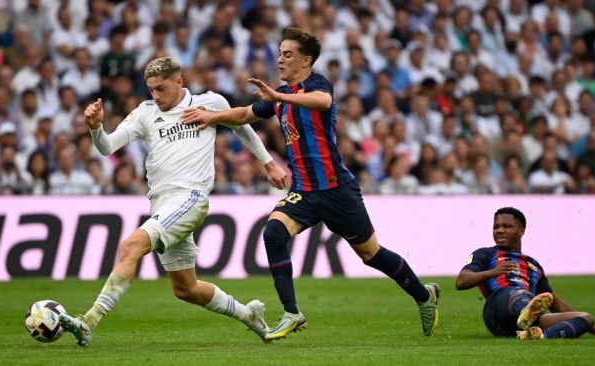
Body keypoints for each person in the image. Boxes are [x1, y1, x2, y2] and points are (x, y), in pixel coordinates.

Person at [183, 27, 440, 341]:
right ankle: (292, 313)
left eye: (287, 54)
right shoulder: (280, 98)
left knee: (371, 255)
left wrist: (278, 95)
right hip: (303, 190)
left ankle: (423, 295)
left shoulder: (315, 85)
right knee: (273, 233)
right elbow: (245, 114)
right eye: (279, 53)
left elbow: (323, 101)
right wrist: (213, 117)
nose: (280, 59)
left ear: (306, 61)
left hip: (336, 189)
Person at [58, 56, 287, 347]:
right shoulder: (145, 113)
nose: (156, 95)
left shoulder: (211, 102)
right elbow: (107, 147)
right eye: (151, 89)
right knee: (186, 289)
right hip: (162, 204)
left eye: (161, 88)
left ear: (179, 82)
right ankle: (249, 315)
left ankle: (89, 321)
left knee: (130, 246)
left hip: (191, 197)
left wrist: (269, 164)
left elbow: (243, 127)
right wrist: (95, 128)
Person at [455, 207, 595, 340]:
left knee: (586, 318)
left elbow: (555, 304)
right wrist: (491, 273)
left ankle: (538, 334)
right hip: (497, 313)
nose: (500, 230)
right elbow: (461, 281)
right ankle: (526, 312)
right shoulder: (485, 254)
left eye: (507, 226)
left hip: (518, 323)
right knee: (519, 292)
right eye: (496, 227)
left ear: (521, 230)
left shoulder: (534, 266)